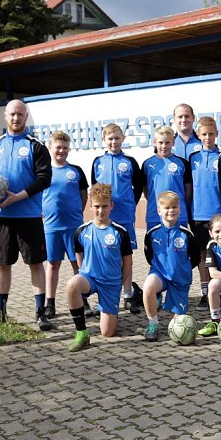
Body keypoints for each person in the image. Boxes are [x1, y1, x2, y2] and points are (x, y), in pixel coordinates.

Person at [0, 99, 53, 331]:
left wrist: (17, 197)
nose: (16, 118)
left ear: (26, 117)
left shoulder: (36, 146)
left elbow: (44, 179)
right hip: (2, 217)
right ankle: (0, 311)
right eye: (12, 114)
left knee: (35, 263)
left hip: (29, 216)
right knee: (2, 264)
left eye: (20, 114)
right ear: (5, 116)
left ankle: (40, 312)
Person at [66, 183, 133, 351]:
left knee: (108, 333)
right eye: (96, 206)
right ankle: (81, 333)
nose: (100, 210)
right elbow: (79, 257)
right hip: (90, 278)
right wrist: (84, 275)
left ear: (111, 206)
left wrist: (120, 285)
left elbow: (128, 263)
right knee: (72, 285)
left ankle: (107, 307)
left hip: (111, 284)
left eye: (104, 206)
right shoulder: (81, 231)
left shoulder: (120, 232)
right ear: (90, 206)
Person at [91, 122, 142, 313]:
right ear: (104, 140)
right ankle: (104, 297)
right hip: (104, 217)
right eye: (110, 138)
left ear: (123, 139)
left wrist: (129, 205)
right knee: (105, 256)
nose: (114, 142)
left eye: (117, 138)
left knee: (125, 257)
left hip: (125, 215)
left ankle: (128, 295)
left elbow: (138, 188)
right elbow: (95, 189)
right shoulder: (97, 162)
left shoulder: (130, 162)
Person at [42, 131, 88, 320]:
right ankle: (49, 303)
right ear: (50, 148)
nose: (61, 151)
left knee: (78, 264)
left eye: (65, 148)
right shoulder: (43, 172)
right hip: (52, 227)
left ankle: (83, 299)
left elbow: (84, 194)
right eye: (58, 147)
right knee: (53, 264)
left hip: (74, 226)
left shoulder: (75, 170)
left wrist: (77, 213)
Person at [142, 191, 200, 342]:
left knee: (178, 325)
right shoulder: (152, 233)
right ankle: (153, 324)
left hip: (180, 280)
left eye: (174, 207)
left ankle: (167, 302)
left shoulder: (187, 234)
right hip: (160, 274)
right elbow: (149, 256)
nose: (171, 210)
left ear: (180, 209)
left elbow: (195, 258)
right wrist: (158, 270)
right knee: (148, 287)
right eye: (166, 207)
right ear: (159, 210)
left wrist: (182, 270)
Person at [188, 116, 221, 310]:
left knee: (219, 253)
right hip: (198, 215)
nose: (207, 137)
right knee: (202, 255)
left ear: (216, 134)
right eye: (204, 134)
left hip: (218, 214)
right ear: (198, 136)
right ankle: (204, 292)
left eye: (211, 134)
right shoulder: (193, 159)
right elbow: (189, 188)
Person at [141, 125, 193, 231]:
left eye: (167, 142)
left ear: (173, 142)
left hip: (178, 214)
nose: (164, 146)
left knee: (179, 245)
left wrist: (180, 204)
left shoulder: (182, 163)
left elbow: (188, 190)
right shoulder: (147, 164)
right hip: (154, 214)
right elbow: (146, 190)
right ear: (155, 142)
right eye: (160, 142)